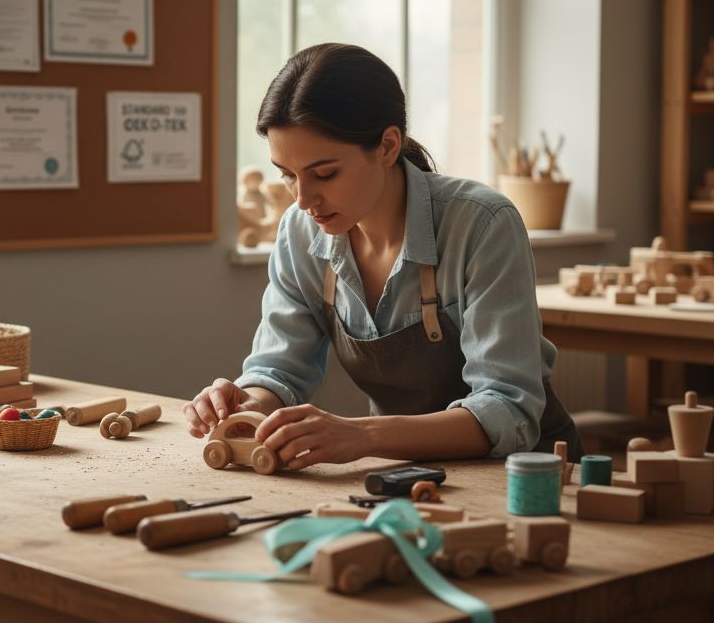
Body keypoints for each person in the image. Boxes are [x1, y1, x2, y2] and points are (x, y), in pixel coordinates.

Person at [184, 44, 579, 469]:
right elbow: (279, 371)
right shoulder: (300, 231)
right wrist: (246, 406)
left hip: (527, 474)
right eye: (287, 175)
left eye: (324, 174)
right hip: (403, 470)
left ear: (388, 146)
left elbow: (507, 410)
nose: (303, 199)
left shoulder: (482, 224)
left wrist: (363, 435)